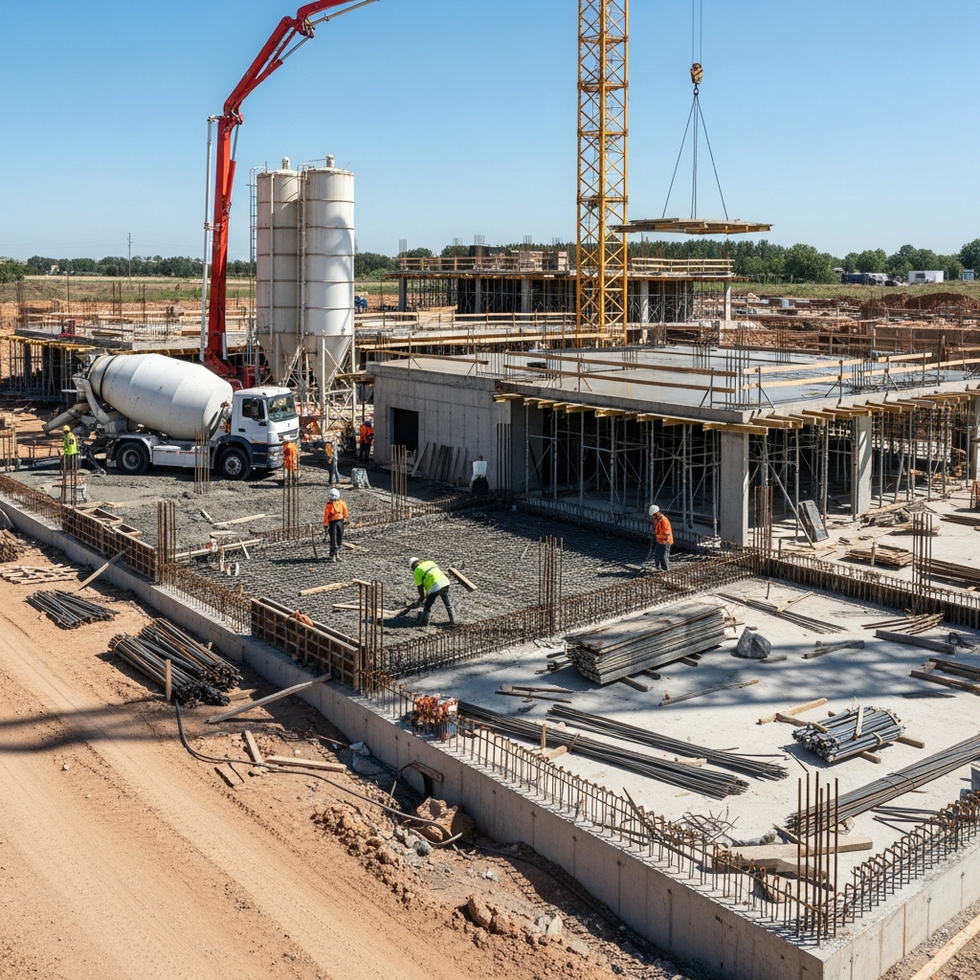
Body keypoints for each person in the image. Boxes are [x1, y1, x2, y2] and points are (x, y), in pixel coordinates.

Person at [410, 557, 456, 626]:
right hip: (445, 582)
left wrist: (422, 598)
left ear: (412, 566)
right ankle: (453, 621)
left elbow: (420, 588)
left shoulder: (417, 571)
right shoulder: (430, 562)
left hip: (434, 587)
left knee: (427, 606)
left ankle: (424, 623)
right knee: (447, 603)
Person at [322, 487, 349, 561]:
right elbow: (326, 515)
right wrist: (326, 524)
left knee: (339, 536)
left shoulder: (342, 503)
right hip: (332, 523)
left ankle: (337, 553)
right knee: (333, 538)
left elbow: (345, 511)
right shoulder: (329, 505)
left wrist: (346, 518)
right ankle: (333, 554)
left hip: (340, 522)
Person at [648, 504, 673, 571]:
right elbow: (656, 530)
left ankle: (665, 570)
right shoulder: (656, 520)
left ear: (656, 514)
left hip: (665, 542)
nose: (652, 517)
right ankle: (658, 568)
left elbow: (666, 535)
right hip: (659, 541)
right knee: (657, 554)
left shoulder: (664, 521)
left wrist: (657, 536)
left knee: (664, 556)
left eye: (653, 515)